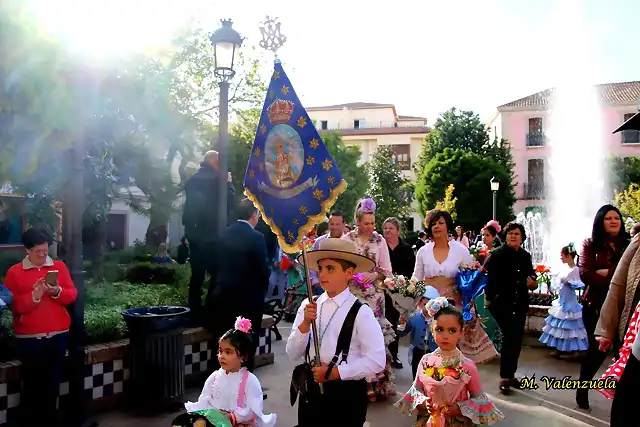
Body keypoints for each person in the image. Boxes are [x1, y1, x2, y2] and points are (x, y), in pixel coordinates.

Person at [286, 238, 386, 427]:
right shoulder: (309, 305)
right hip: (311, 390)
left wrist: (336, 372)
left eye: (330, 268)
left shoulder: (361, 312)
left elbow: (376, 359)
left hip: (346, 395)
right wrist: (305, 324)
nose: (322, 274)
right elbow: (292, 353)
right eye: (320, 268)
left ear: (348, 273)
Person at [4, 228, 78, 427]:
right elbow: (13, 305)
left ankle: (49, 421)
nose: (43, 255)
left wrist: (57, 291)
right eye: (38, 251)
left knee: (52, 383)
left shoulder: (59, 267)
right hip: (29, 338)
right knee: (31, 384)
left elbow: (71, 295)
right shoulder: (14, 273)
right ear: (27, 250)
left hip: (58, 335)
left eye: (46, 250)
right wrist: (35, 296)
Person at [395, 298, 504, 427]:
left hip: (458, 421)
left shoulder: (467, 365)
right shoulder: (426, 360)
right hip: (431, 419)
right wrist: (425, 403)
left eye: (452, 330)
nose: (445, 336)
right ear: (432, 330)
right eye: (440, 329)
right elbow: (416, 391)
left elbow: (478, 398)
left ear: (461, 332)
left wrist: (458, 408)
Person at [412, 210, 497, 364]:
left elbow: (468, 278)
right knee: (426, 347)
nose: (437, 227)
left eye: (441, 223)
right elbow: (416, 278)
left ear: (448, 226)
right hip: (428, 303)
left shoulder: (461, 250)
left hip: (453, 305)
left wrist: (467, 304)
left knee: (451, 348)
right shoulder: (423, 252)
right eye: (433, 224)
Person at [206, 198, 270, 372]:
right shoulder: (257, 238)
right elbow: (262, 270)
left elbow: (212, 266)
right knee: (245, 346)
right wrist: (260, 293)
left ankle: (218, 383)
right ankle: (242, 387)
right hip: (247, 302)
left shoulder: (222, 234)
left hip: (221, 298)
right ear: (254, 215)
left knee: (222, 343)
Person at [175, 317, 276, 427]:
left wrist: (232, 417)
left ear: (243, 357)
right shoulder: (214, 377)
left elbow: (254, 410)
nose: (222, 356)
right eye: (220, 351)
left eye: (228, 352)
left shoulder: (250, 380)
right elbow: (204, 401)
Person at [576, 204, 629, 410]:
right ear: (600, 221)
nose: (614, 221)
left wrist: (608, 272)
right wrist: (617, 281)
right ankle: (583, 388)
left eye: (617, 217)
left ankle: (621, 396)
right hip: (595, 305)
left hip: (624, 307)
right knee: (596, 351)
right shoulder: (590, 244)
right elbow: (585, 273)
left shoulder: (629, 244)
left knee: (623, 352)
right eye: (609, 218)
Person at [342, 198, 395, 401]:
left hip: (374, 297)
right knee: (354, 339)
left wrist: (374, 275)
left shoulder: (379, 241)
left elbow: (388, 272)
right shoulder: (346, 240)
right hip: (352, 295)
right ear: (357, 220)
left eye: (373, 223)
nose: (371, 227)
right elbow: (340, 266)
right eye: (366, 223)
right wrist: (352, 275)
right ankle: (354, 384)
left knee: (374, 339)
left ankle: (376, 386)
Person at [182, 150, 236, 323]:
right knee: (217, 274)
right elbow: (230, 202)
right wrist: (228, 184)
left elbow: (190, 209)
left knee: (197, 276)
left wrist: (189, 233)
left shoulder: (193, 179)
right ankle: (211, 312)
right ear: (215, 162)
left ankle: (193, 313)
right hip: (213, 235)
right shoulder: (216, 181)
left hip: (196, 235)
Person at [484, 222, 537, 394]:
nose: (513, 236)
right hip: (502, 304)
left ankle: (511, 374)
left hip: (520, 303)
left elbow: (532, 277)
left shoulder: (525, 256)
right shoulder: (496, 255)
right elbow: (488, 283)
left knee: (516, 341)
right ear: (505, 236)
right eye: (510, 233)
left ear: (522, 238)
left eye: (517, 234)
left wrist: (532, 283)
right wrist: (491, 301)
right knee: (508, 339)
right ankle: (505, 377)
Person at [539, 243, 588, 359]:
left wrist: (569, 282)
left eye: (562, 255)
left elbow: (580, 284)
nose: (560, 257)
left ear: (569, 256)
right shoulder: (567, 268)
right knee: (561, 327)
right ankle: (561, 348)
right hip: (563, 301)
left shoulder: (576, 269)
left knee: (570, 327)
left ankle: (573, 351)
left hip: (570, 302)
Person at [383, 216, 416, 369]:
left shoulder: (407, 249)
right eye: (385, 228)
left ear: (397, 230)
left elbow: (412, 272)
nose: (387, 231)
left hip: (400, 292)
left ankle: (393, 355)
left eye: (391, 228)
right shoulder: (380, 247)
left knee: (395, 324)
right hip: (382, 291)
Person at [397, 286, 440, 378]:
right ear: (420, 303)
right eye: (425, 303)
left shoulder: (440, 319)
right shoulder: (413, 317)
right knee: (417, 376)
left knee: (433, 378)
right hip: (417, 352)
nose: (428, 306)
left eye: (432, 303)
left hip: (434, 352)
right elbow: (402, 333)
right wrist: (402, 324)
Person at [309, 211, 345, 295]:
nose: (334, 227)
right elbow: (312, 262)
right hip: (321, 287)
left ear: (344, 224)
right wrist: (315, 282)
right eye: (332, 224)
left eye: (338, 224)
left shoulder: (349, 242)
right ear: (328, 224)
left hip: (343, 287)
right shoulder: (319, 242)